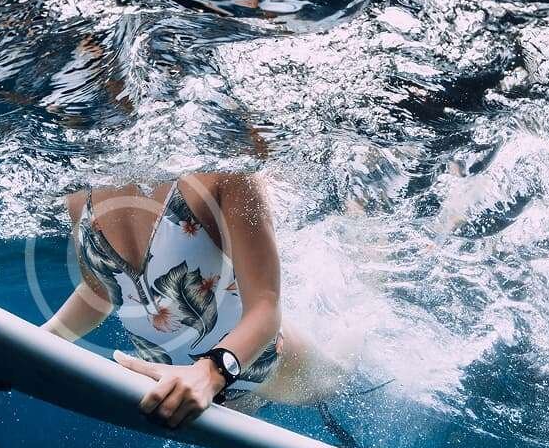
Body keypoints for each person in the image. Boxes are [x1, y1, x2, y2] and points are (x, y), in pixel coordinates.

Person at [41, 172, 347, 429]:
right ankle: (253, 408)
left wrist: (212, 373)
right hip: (194, 389)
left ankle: (361, 306)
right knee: (246, 409)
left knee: (337, 380)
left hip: (266, 367)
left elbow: (266, 304)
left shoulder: (224, 170)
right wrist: (42, 339)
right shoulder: (78, 196)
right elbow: (99, 290)